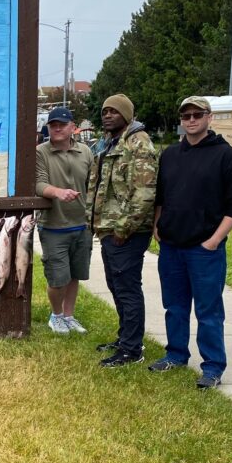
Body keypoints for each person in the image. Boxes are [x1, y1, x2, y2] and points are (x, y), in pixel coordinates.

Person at [150, 95, 232, 388]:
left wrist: (215, 239)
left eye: (197, 114)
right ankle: (176, 355)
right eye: (186, 116)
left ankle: (213, 367)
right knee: (175, 307)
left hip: (204, 250)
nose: (191, 120)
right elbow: (161, 196)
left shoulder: (225, 155)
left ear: (209, 117)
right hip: (171, 248)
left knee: (208, 311)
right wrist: (158, 225)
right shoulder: (169, 154)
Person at [87, 93, 158, 367]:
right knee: (116, 285)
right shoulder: (108, 143)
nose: (107, 115)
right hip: (108, 229)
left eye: (114, 111)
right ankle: (125, 338)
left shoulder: (139, 144)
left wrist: (123, 229)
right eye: (105, 111)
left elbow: (144, 192)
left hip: (126, 232)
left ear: (126, 115)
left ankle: (131, 350)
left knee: (127, 289)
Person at [35, 105, 93, 334]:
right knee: (58, 277)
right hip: (53, 225)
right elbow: (38, 184)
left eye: (61, 124)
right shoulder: (41, 151)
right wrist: (58, 192)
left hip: (82, 224)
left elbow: (93, 183)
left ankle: (69, 315)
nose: (57, 128)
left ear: (72, 127)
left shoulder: (86, 152)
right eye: (53, 125)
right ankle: (56, 314)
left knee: (74, 275)